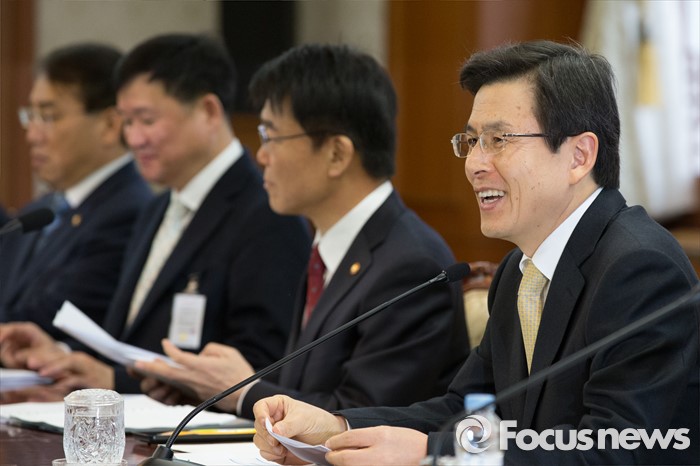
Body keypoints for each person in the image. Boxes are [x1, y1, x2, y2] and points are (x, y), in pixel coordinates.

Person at [252, 40, 700, 465]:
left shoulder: (639, 269)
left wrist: (435, 453)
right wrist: (337, 428)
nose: (474, 165)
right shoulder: (519, 271)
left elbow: (614, 448)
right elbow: (464, 408)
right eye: (471, 142)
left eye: (498, 140)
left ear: (579, 156)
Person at [133, 43, 469, 418]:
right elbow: (306, 389)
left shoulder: (411, 266)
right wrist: (202, 387)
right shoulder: (330, 248)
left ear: (337, 154)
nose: (261, 155)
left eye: (272, 136)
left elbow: (361, 417)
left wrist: (244, 392)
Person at [0, 33, 310, 395]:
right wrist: (62, 354)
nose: (134, 139)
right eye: (127, 122)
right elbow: (126, 343)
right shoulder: (156, 209)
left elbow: (261, 368)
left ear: (208, 111)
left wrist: (114, 379)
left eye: (146, 120)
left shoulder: (267, 212)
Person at [0, 43, 152, 344]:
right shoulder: (46, 207)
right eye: (30, 116)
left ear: (110, 124)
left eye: (48, 117)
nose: (32, 135)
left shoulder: (130, 212)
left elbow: (53, 321)